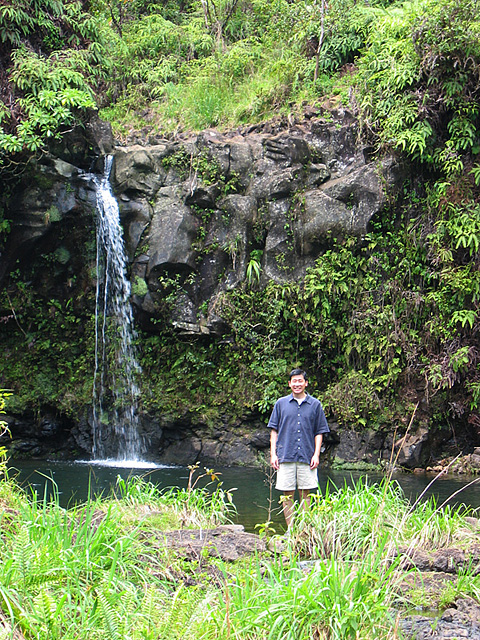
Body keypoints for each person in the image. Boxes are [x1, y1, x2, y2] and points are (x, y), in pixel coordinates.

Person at [268, 368, 329, 527]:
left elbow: (319, 432)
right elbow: (274, 430)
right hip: (285, 455)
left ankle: (303, 530)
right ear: (289, 384)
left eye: (300, 381)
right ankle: (290, 530)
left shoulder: (315, 404)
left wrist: (316, 455)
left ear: (306, 383)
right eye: (294, 381)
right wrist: (273, 455)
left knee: (305, 493)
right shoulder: (280, 404)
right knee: (287, 495)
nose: (297, 384)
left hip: (307, 456)